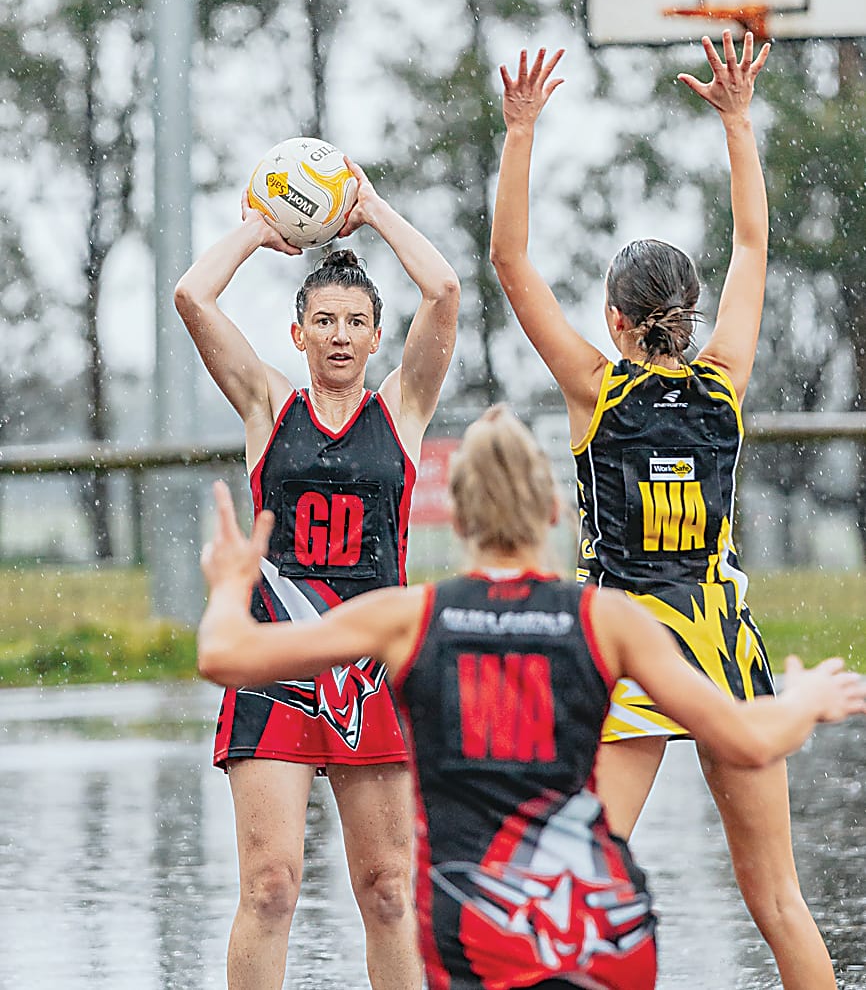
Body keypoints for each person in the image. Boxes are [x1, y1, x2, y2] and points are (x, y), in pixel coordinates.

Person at [196, 407, 866, 990]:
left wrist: (232, 585)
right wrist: (804, 698)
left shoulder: (409, 619)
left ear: (456, 514)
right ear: (553, 509)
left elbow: (222, 656)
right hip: (600, 926)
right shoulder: (609, 619)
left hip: (482, 925)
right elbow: (749, 740)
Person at [486, 33, 848, 988]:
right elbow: (755, 243)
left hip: (627, 655)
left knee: (581, 889)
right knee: (778, 900)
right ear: (689, 312)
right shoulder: (724, 380)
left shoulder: (595, 388)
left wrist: (520, 131)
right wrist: (737, 120)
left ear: (613, 317)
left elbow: (509, 259)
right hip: (723, 648)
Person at [175, 156, 460, 990]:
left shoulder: (403, 409)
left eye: (355, 322)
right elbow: (193, 297)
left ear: (377, 336)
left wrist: (369, 210)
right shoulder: (268, 405)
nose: (339, 335)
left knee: (387, 889)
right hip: (275, 670)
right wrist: (262, 228)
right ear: (298, 334)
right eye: (324, 320)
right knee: (270, 888)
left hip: (373, 676)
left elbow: (442, 291)